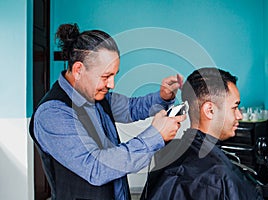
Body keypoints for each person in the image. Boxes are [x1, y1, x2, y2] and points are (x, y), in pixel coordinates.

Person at [29, 23, 186, 200]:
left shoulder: (98, 96)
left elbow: (133, 108)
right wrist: (155, 135)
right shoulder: (53, 114)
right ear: (78, 70)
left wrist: (163, 97)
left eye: (114, 75)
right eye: (105, 76)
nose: (112, 84)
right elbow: (96, 167)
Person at [140, 67, 263, 200]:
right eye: (234, 107)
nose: (239, 115)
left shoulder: (168, 155)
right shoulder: (219, 174)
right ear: (210, 110)